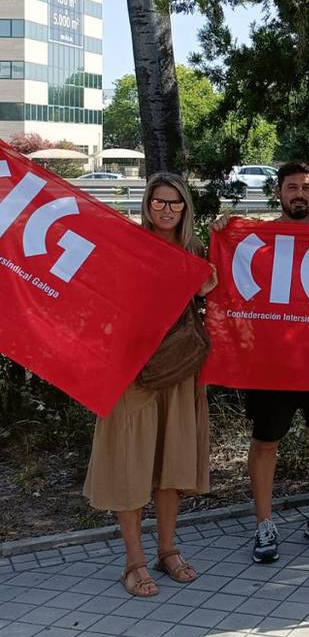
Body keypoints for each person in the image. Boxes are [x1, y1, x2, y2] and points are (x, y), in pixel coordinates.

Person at [85, 174, 218, 596]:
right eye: (159, 202)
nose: (166, 210)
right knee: (131, 464)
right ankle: (133, 561)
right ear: (147, 204)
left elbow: (214, 303)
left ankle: (166, 549)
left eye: (175, 203)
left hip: (178, 370)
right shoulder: (129, 244)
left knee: (170, 465)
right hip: (133, 371)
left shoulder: (196, 251)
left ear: (185, 208)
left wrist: (207, 286)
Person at [224, 162, 309, 563]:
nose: (299, 193)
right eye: (292, 187)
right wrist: (223, 229)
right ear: (278, 192)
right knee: (266, 441)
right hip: (273, 361)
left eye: (306, 187)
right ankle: (264, 522)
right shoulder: (258, 239)